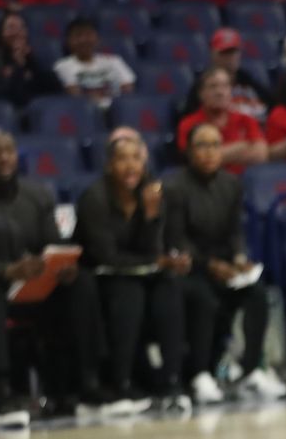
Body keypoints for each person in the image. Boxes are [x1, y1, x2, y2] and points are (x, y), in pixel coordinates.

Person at [0, 131, 121, 422]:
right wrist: (8, 270)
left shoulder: (38, 193)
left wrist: (61, 266)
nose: (4, 158)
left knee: (82, 283)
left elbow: (51, 242)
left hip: (35, 284)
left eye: (10, 151)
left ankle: (88, 381)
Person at [163, 123, 286, 405]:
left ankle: (251, 370)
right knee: (203, 297)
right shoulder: (175, 188)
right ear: (189, 151)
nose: (209, 152)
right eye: (202, 146)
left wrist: (240, 258)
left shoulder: (231, 185)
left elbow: (235, 232)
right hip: (191, 268)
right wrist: (210, 265)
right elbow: (177, 238)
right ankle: (201, 374)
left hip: (225, 266)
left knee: (257, 293)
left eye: (215, 145)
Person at [74, 133, 190, 412]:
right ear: (109, 165)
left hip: (142, 272)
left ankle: (171, 381)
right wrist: (154, 261)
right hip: (100, 277)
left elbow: (152, 248)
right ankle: (121, 382)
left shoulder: (153, 194)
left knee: (169, 290)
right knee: (129, 294)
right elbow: (105, 255)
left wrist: (151, 218)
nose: (130, 166)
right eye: (122, 159)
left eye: (136, 158)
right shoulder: (94, 198)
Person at [177, 68, 267, 174]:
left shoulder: (246, 120)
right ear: (201, 94)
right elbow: (196, 160)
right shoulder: (188, 124)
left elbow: (262, 154)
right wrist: (242, 147)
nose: (220, 92)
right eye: (213, 86)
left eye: (225, 86)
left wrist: (212, 154)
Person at [0, 12, 61, 108]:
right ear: (1, 34)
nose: (17, 32)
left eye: (21, 27)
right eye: (11, 27)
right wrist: (17, 68)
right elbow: (8, 96)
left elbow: (56, 88)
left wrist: (32, 62)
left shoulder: (35, 60)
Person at [181, 29, 270, 121]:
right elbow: (190, 119)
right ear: (213, 54)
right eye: (225, 52)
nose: (230, 58)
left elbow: (272, 107)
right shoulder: (202, 85)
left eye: (233, 52)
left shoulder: (250, 82)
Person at [54, 17, 135, 110]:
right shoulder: (63, 65)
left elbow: (128, 89)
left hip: (117, 111)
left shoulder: (114, 61)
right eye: (78, 35)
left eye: (88, 35)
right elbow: (75, 95)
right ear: (69, 41)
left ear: (97, 38)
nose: (83, 40)